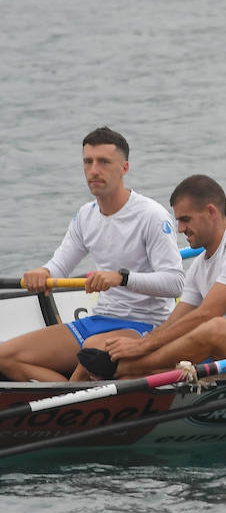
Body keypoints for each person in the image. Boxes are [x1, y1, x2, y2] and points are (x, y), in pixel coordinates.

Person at [0, 128, 184, 382]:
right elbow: (59, 266)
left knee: (91, 352)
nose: (94, 170)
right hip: (99, 320)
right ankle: (68, 400)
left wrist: (121, 278)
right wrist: (43, 273)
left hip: (145, 325)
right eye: (88, 162)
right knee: (4, 357)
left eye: (104, 162)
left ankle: (69, 400)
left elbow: (175, 283)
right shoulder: (86, 216)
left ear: (124, 168)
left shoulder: (151, 215)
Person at [76, 175, 226, 379]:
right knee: (119, 355)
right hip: (223, 358)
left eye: (185, 220)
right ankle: (78, 394)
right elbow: (175, 321)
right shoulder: (198, 266)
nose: (180, 229)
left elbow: (208, 314)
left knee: (216, 327)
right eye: (178, 221)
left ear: (211, 212)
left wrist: (143, 347)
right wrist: (139, 345)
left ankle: (124, 368)